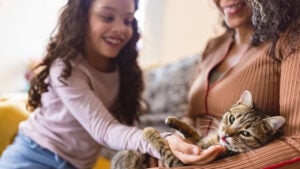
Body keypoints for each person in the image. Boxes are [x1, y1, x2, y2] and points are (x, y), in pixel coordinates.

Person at [0, 0, 160, 168]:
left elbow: (126, 128)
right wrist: (157, 143)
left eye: (127, 20)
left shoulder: (124, 69)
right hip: (33, 156)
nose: (120, 28)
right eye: (107, 17)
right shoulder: (65, 67)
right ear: (82, 17)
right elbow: (104, 129)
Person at [166, 0, 300, 168]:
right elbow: (192, 116)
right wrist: (174, 141)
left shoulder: (292, 39)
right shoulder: (214, 45)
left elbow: (297, 143)